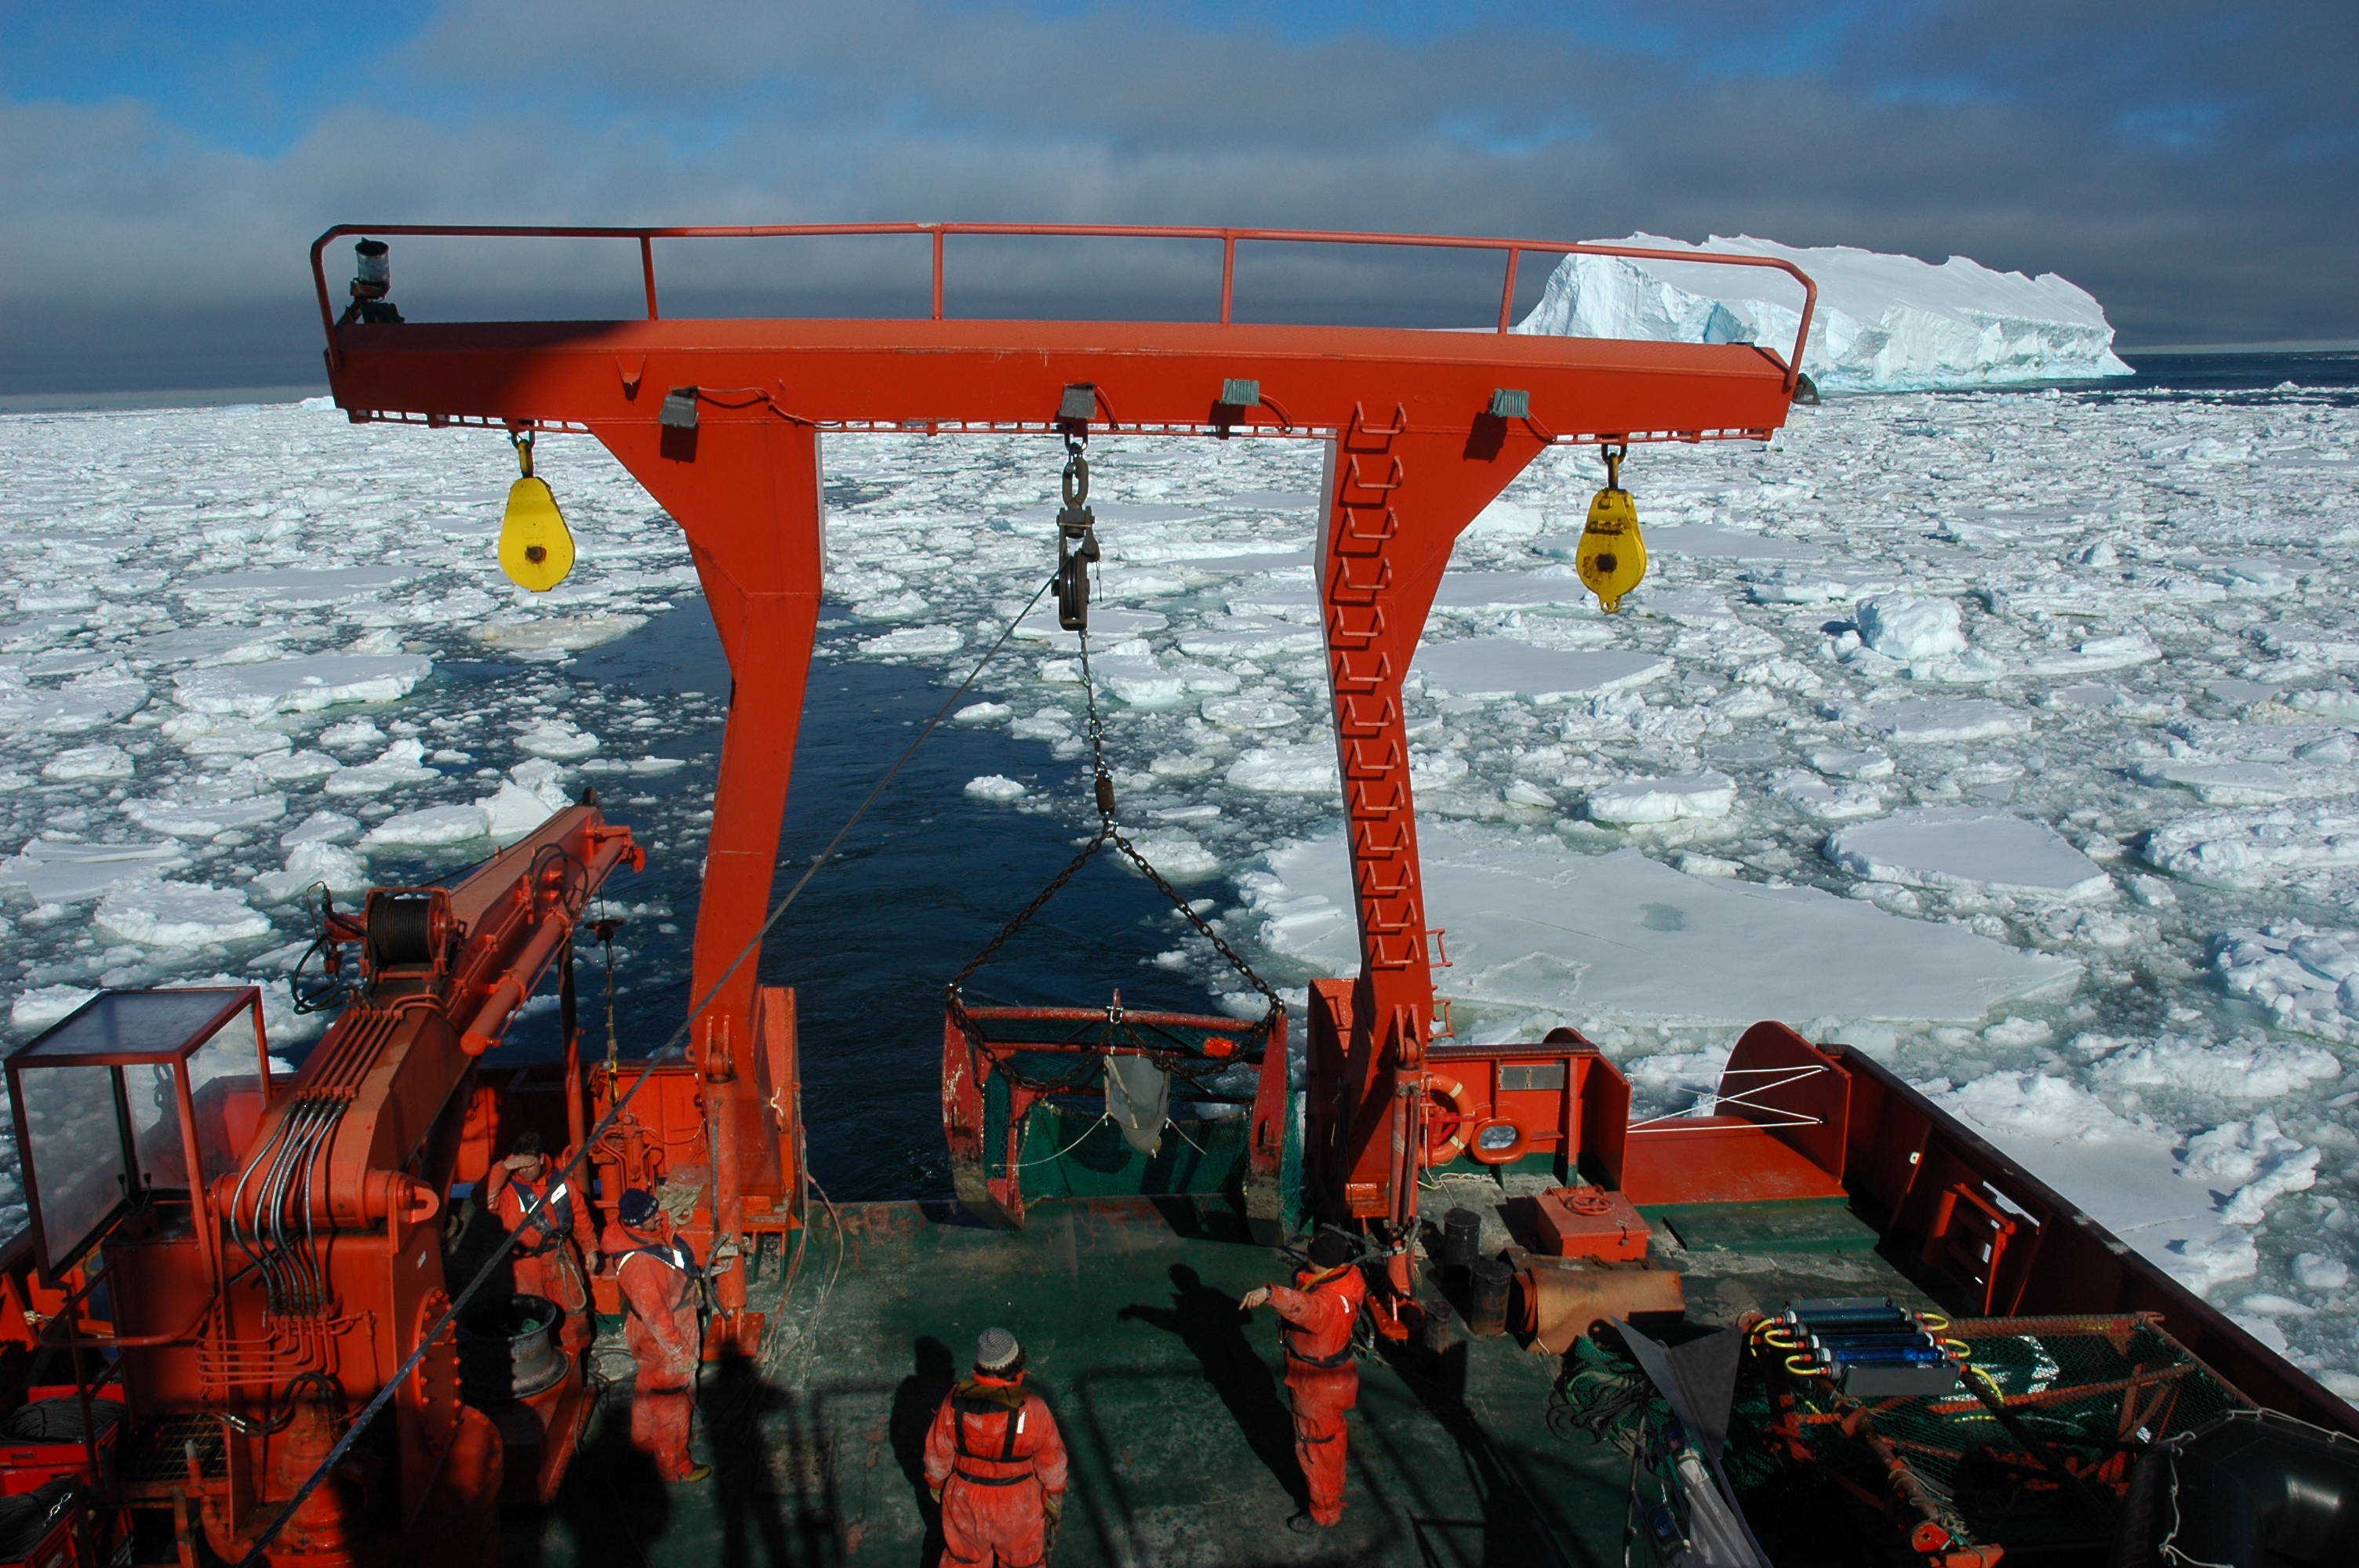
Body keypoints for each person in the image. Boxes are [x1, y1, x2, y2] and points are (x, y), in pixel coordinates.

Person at [1240, 1232, 1367, 1530]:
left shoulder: (1324, 1304)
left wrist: (1271, 1294)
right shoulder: (1351, 1278)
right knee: (1331, 1439)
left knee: (1315, 1448)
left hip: (1315, 1386)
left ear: (1316, 1260)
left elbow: (1306, 1307)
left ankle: (1324, 1511)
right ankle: (1331, 1494)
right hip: (1338, 1375)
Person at [922, 1327, 1069, 1567]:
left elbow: (937, 1453)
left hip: (965, 1498)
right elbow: (1051, 1459)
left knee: (963, 1560)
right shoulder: (1032, 1407)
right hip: (1017, 1502)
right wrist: (1055, 1492)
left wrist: (937, 1483)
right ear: (1016, 1362)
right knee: (1023, 1561)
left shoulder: (953, 1400)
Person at [604, 1187, 709, 1483]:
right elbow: (656, 1316)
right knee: (672, 1401)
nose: (660, 1219)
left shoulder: (635, 1236)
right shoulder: (641, 1266)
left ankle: (643, 1445)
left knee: (648, 1385)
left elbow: (662, 1236)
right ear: (637, 1224)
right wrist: (680, 1352)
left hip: (649, 1330)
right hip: (666, 1331)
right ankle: (675, 1467)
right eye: (653, 1218)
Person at [482, 1131, 600, 1355]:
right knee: (531, 1318)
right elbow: (482, 1197)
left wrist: (590, 1249)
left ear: (541, 1159)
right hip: (526, 1265)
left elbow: (580, 1217)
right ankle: (542, 1360)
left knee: (574, 1311)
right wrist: (503, 1168)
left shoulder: (562, 1182)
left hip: (561, 1256)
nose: (523, 1170)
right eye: (519, 1165)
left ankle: (579, 1358)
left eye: (528, 1164)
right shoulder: (507, 1191)